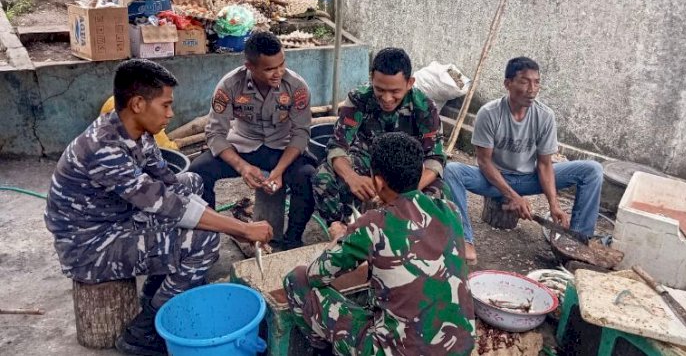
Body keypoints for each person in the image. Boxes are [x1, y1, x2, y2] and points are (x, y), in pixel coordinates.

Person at [45, 59, 273, 356]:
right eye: (165, 106)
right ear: (138, 103)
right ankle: (146, 329)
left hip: (115, 218)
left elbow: (171, 184)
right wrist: (241, 228)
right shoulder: (104, 148)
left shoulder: (137, 132)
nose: (171, 114)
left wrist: (227, 223)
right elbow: (167, 205)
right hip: (88, 245)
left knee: (190, 180)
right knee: (204, 241)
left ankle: (157, 289)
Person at [284, 132, 475, 356]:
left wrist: (338, 240)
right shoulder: (449, 211)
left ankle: (321, 347)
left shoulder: (374, 223)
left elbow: (316, 275)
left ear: (378, 181)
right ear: (420, 173)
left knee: (296, 279)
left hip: (397, 351)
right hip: (460, 347)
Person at [444, 57, 603, 263]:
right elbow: (484, 162)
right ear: (507, 84)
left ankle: (577, 242)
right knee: (452, 170)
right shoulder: (489, 113)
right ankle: (464, 240)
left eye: (536, 82)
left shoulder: (545, 116)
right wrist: (512, 196)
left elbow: (545, 164)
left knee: (592, 170)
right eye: (524, 81)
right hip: (493, 179)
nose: (532, 88)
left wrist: (554, 204)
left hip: (530, 177)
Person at [189, 32, 316, 250]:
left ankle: (292, 240)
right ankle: (207, 240)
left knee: (307, 176)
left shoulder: (296, 86)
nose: (278, 73)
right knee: (198, 172)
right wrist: (242, 167)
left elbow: (301, 134)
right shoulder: (229, 85)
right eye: (269, 69)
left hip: (282, 149)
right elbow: (215, 134)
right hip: (244, 146)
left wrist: (279, 171)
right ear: (250, 66)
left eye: (281, 64)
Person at [313, 47, 448, 225]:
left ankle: (413, 241)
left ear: (410, 83)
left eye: (395, 92)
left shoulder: (424, 107)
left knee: (438, 196)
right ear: (372, 78)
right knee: (323, 176)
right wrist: (352, 177)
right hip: (367, 162)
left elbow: (435, 160)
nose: (387, 98)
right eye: (380, 89)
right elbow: (337, 147)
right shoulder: (358, 98)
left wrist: (406, 192)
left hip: (407, 172)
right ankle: (343, 230)